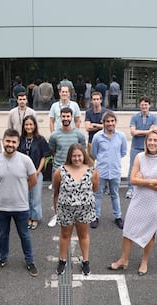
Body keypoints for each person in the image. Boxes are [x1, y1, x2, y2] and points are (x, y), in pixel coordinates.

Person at [108, 130, 157, 275]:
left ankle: (144, 261)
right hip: (138, 201)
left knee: (150, 234)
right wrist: (150, 182)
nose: (152, 143)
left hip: (154, 204)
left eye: (155, 140)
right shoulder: (139, 157)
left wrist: (142, 181)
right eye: (150, 140)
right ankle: (124, 259)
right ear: (146, 142)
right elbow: (132, 180)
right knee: (128, 230)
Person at [0, 129, 39, 276]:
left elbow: (33, 179)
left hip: (21, 206)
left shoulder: (25, 160)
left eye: (13, 141)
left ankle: (30, 261)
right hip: (1, 207)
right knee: (3, 234)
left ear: (18, 143)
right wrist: (0, 191)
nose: (10, 144)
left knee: (25, 235)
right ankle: (3, 258)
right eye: (8, 141)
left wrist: (22, 190)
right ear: (3, 141)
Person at [53, 144, 99, 275]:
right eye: (74, 156)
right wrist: (56, 209)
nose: (77, 158)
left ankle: (85, 260)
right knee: (65, 235)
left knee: (83, 235)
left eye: (79, 155)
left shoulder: (92, 171)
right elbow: (56, 191)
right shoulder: (60, 171)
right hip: (65, 210)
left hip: (85, 210)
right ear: (70, 156)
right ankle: (62, 260)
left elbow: (94, 188)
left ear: (83, 155)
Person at [48, 107, 86, 227]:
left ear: (72, 117)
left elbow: (82, 152)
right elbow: (53, 151)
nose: (66, 119)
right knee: (57, 193)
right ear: (60, 117)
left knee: (76, 193)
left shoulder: (79, 134)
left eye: (68, 116)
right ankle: (57, 215)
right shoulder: (54, 135)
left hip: (75, 169)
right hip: (58, 168)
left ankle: (74, 215)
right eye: (63, 116)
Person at [91, 111, 127, 229]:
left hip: (115, 171)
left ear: (115, 122)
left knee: (115, 194)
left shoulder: (121, 136)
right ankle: (95, 216)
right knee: (97, 194)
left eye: (112, 121)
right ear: (103, 123)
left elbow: (123, 152)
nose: (110, 123)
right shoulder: (97, 137)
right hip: (101, 171)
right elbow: (94, 153)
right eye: (107, 121)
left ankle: (118, 217)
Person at [18, 115, 51, 230]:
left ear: (35, 125)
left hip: (36, 173)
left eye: (31, 124)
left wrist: (38, 171)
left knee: (35, 197)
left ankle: (35, 218)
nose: (29, 127)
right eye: (26, 124)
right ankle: (27, 217)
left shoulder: (40, 140)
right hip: (22, 174)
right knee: (25, 197)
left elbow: (44, 156)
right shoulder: (20, 139)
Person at [126, 96, 157, 199]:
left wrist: (140, 132)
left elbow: (153, 132)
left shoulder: (154, 118)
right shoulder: (134, 117)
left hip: (148, 148)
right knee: (132, 168)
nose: (144, 106)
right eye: (142, 104)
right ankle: (131, 189)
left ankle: (146, 187)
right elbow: (133, 132)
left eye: (146, 104)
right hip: (136, 147)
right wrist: (147, 132)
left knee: (149, 168)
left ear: (149, 105)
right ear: (139, 105)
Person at [85, 91, 108, 159]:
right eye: (94, 99)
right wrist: (101, 126)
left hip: (104, 141)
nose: (96, 101)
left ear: (101, 100)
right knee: (90, 164)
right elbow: (87, 128)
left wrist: (94, 125)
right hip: (91, 141)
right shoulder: (88, 112)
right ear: (91, 101)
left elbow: (108, 127)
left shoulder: (106, 112)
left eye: (97, 99)